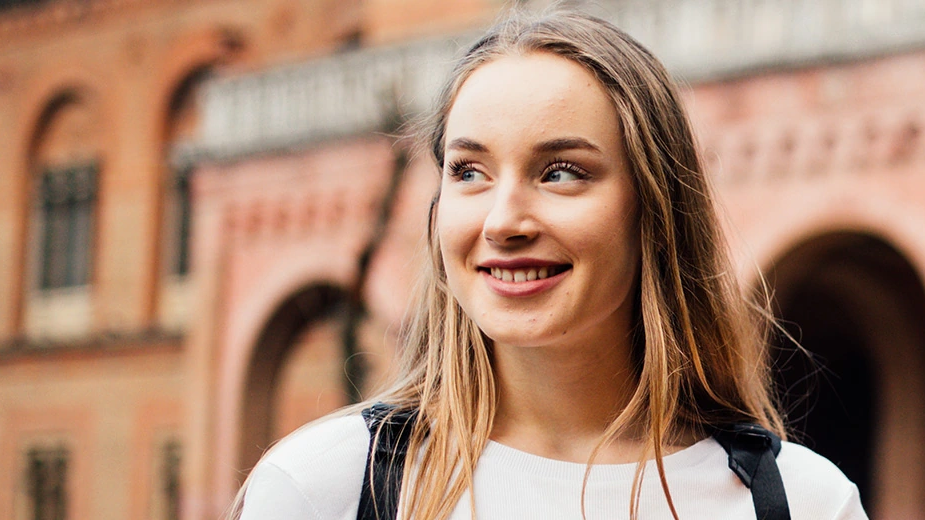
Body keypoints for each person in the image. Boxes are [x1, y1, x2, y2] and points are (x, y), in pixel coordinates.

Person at [232, 8, 867, 520]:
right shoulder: (325, 487)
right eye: (469, 172)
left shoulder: (799, 502)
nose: (504, 221)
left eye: (561, 172)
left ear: (654, 210)